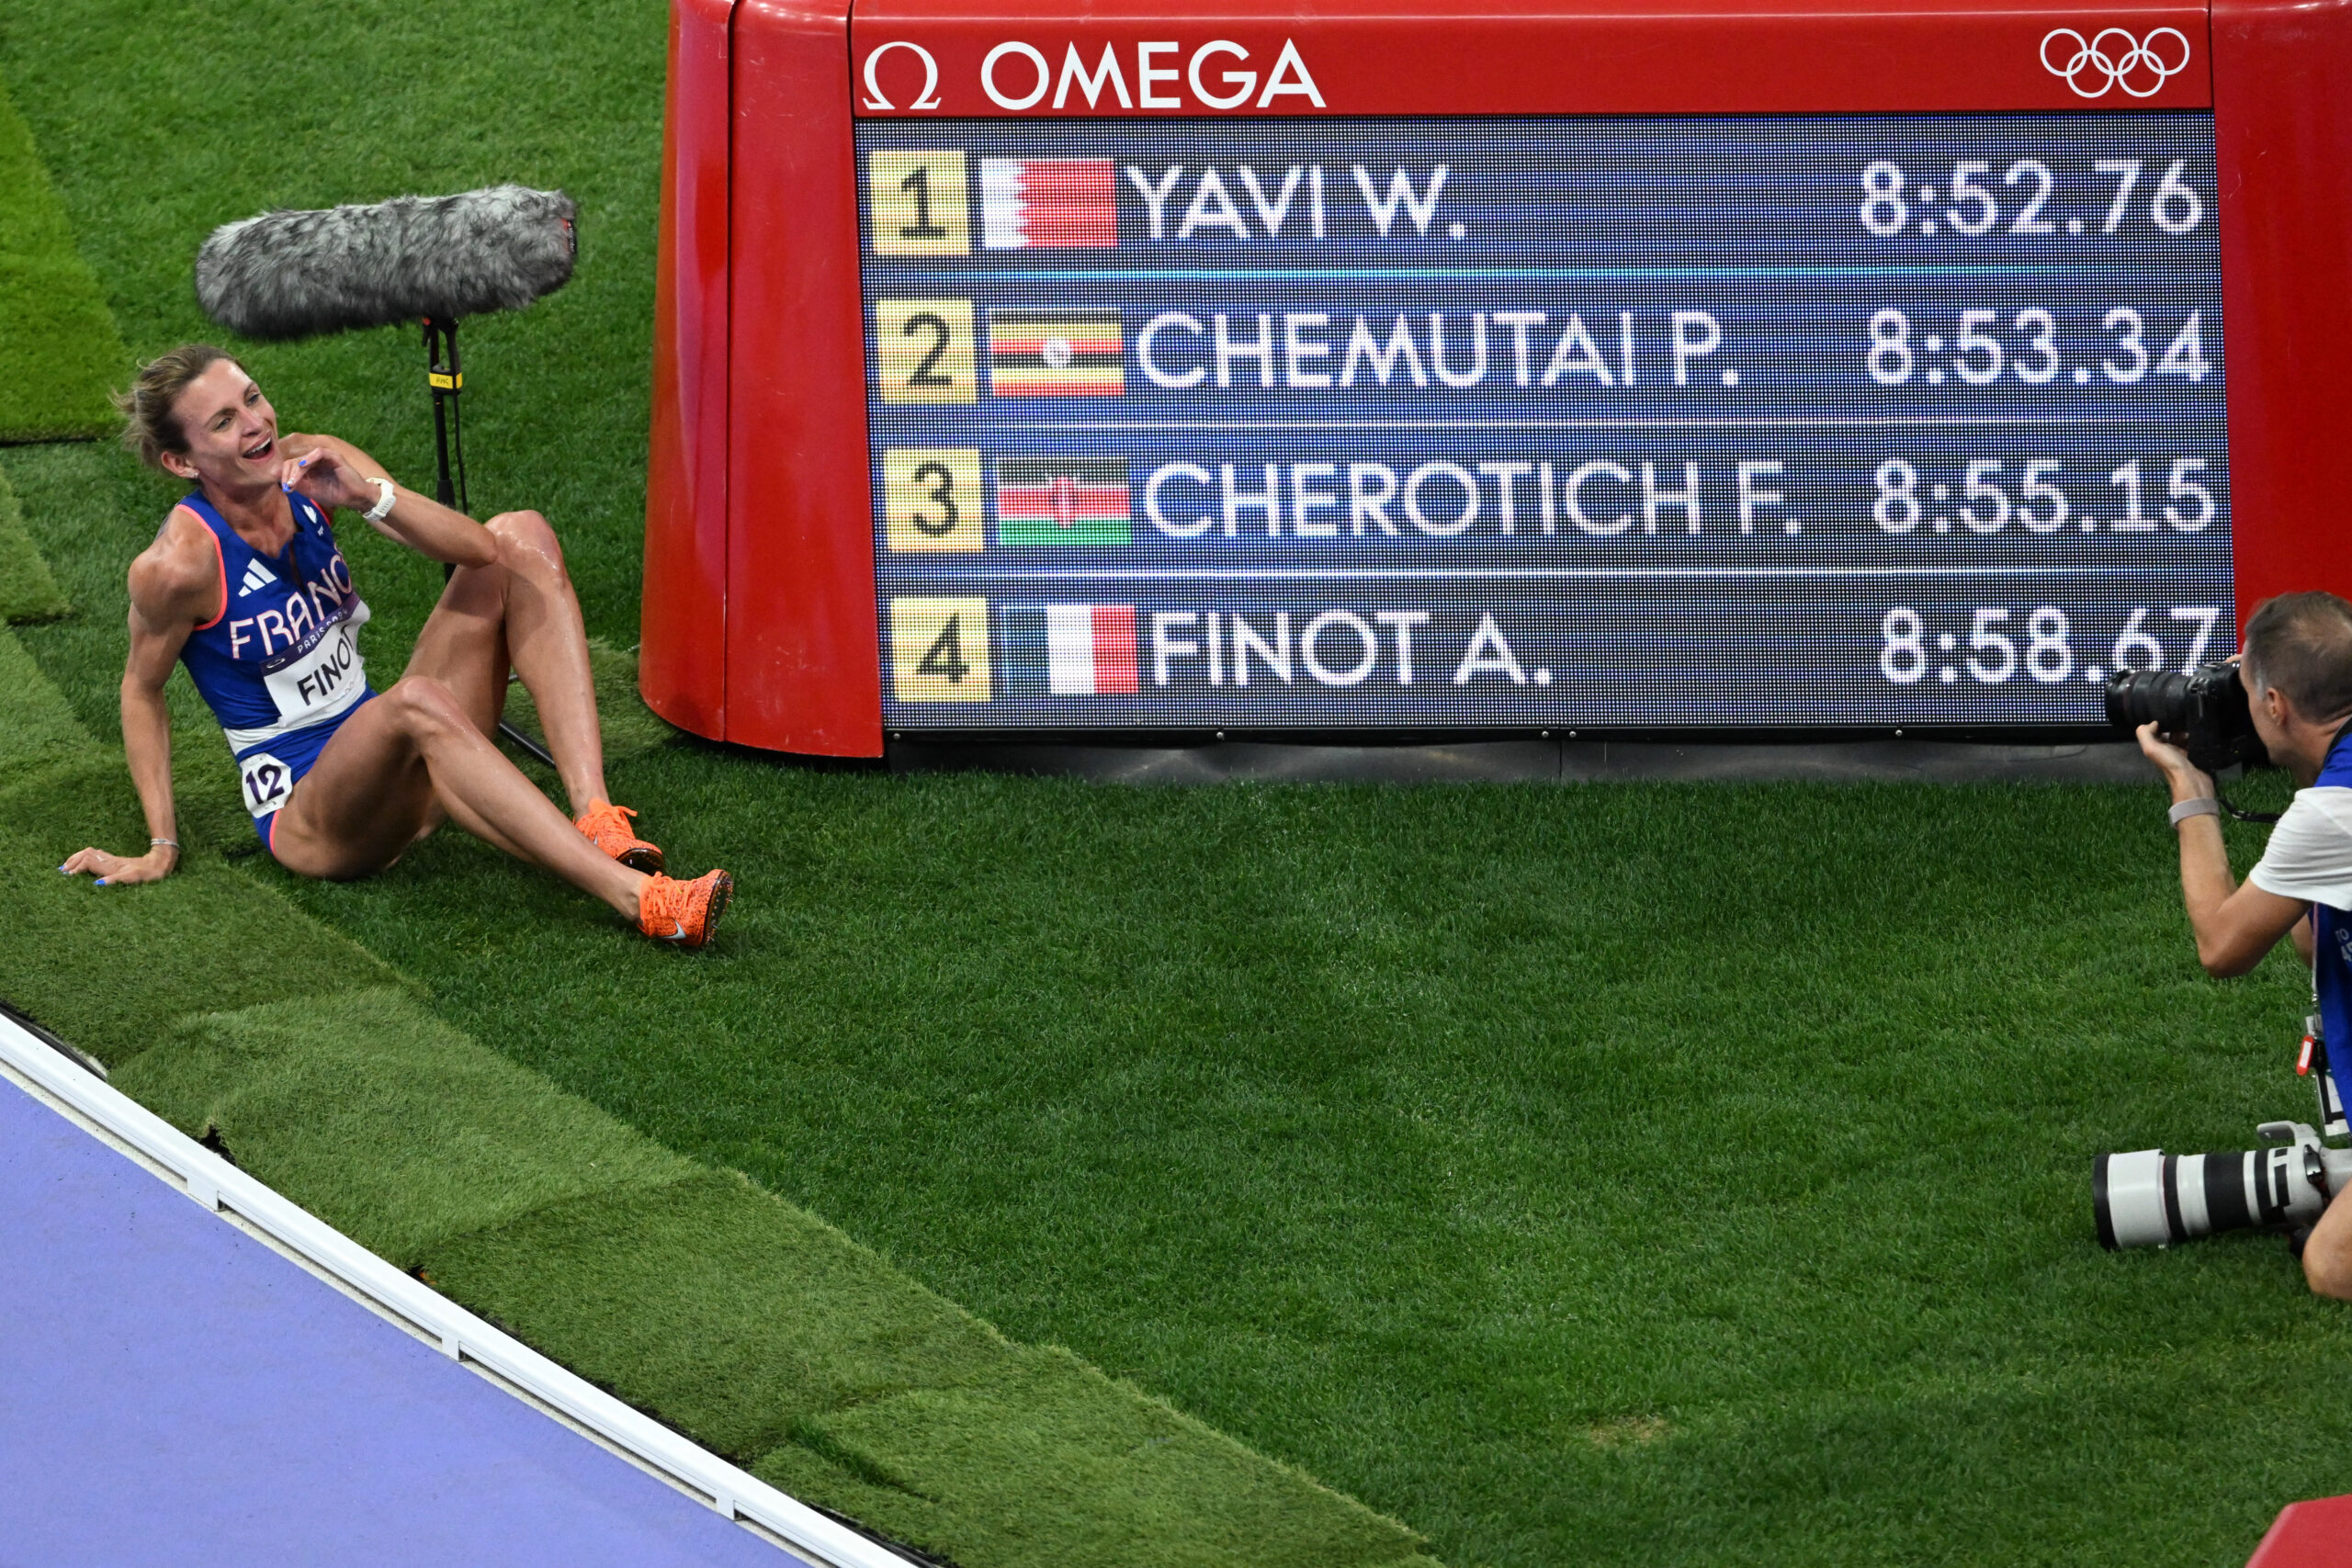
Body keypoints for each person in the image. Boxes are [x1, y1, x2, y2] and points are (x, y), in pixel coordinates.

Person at [59, 344, 732, 947]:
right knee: (415, 702)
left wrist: (366, 495)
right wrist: (161, 843)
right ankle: (642, 899)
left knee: (522, 536)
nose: (255, 423)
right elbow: (140, 690)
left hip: (394, 756)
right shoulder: (177, 566)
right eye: (223, 422)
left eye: (252, 398)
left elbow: (480, 550)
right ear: (181, 461)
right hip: (313, 819)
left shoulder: (311, 463)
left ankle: (595, 813)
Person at [2137, 590, 2352, 1297]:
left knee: (2330, 1264)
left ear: (2278, 705)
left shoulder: (2332, 814)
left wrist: (2189, 785)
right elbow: (2303, 933)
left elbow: (2222, 946)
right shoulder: (2331, 796)